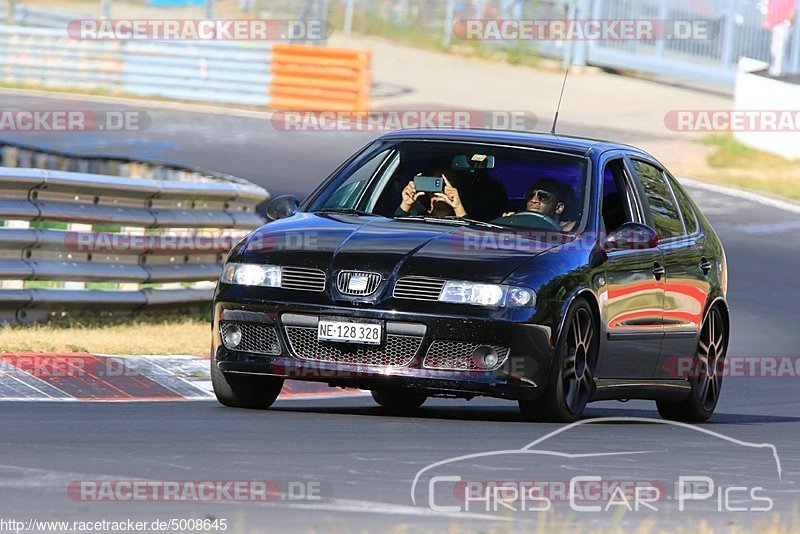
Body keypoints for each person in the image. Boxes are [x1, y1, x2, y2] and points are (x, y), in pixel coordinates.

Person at [502, 178, 576, 231]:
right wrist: (508, 223)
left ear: (558, 208)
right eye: (530, 195)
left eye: (543, 197)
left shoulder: (572, 230)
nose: (534, 200)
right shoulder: (516, 222)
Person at [396, 174, 467, 218]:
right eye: (436, 183)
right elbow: (395, 231)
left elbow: (467, 237)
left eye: (448, 184)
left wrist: (458, 207)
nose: (441, 189)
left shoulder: (470, 222)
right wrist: (406, 204)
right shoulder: (417, 217)